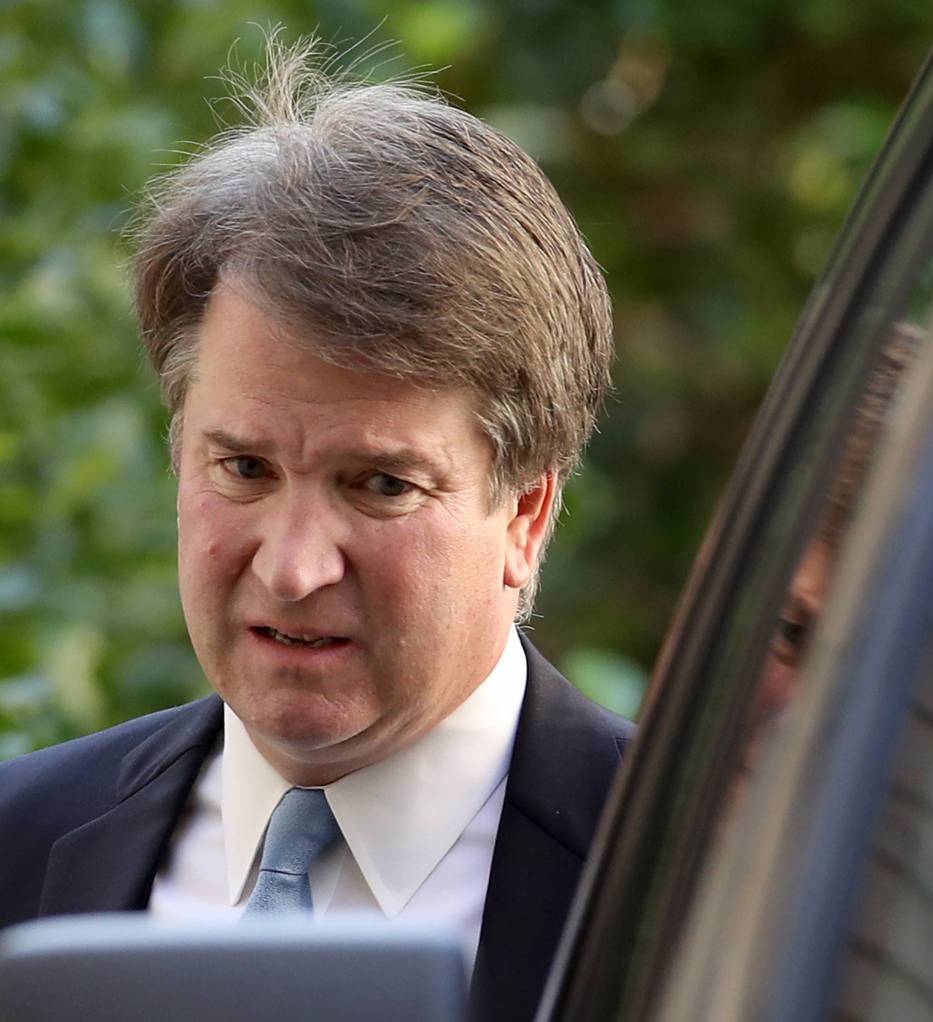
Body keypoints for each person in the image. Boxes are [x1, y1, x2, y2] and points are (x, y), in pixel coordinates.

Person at [0, 38, 633, 1021]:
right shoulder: (17, 846)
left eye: (380, 483)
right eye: (244, 467)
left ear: (525, 513)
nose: (293, 569)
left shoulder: (706, 875)